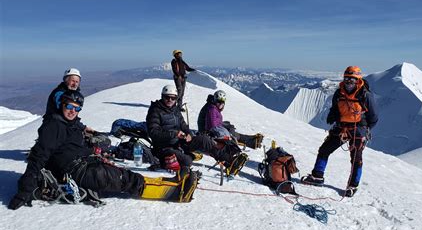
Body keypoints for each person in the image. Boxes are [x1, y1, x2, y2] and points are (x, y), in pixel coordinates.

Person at [8, 90, 198, 210]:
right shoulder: (53, 126)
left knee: (125, 174)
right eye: (69, 106)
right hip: (78, 171)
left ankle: (172, 183)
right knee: (126, 181)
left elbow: (74, 147)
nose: (73, 111)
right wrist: (24, 191)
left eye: (77, 108)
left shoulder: (70, 124)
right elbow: (38, 157)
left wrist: (94, 154)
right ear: (61, 105)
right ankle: (174, 192)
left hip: (87, 164)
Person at [301, 66, 378, 197]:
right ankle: (317, 176)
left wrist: (365, 131)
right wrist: (333, 115)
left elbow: (373, 117)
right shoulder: (339, 93)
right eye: (347, 79)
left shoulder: (365, 95)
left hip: (358, 129)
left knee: (356, 159)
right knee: (325, 149)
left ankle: (352, 186)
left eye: (352, 79)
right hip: (342, 127)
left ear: (358, 80)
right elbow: (335, 108)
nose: (349, 82)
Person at [146, 85, 247, 176]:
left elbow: (183, 125)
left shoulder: (175, 109)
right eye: (167, 97)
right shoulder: (155, 111)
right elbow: (153, 133)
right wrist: (174, 134)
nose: (170, 100)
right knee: (187, 161)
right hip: (165, 147)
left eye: (173, 98)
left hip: (180, 142)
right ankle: (180, 159)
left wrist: (188, 133)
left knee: (204, 139)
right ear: (162, 96)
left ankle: (230, 162)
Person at [197, 90, 263, 149]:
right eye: (219, 102)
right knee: (231, 132)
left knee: (229, 127)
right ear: (215, 100)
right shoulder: (212, 109)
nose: (220, 104)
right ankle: (252, 141)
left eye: (222, 103)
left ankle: (252, 140)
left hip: (207, 128)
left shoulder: (212, 106)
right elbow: (212, 126)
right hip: (206, 131)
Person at [44, 68, 94, 133]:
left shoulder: (73, 94)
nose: (75, 84)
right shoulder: (60, 94)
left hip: (64, 127)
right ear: (66, 80)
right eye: (72, 81)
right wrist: (82, 128)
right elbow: (65, 115)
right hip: (53, 129)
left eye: (77, 82)